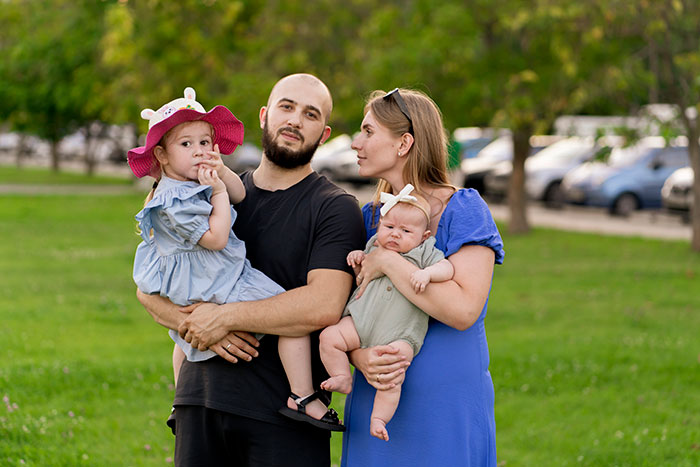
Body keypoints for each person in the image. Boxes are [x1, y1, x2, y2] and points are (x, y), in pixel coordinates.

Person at [136, 74, 365, 466]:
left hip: (281, 417)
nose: (295, 120)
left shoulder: (333, 207)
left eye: (310, 114)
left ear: (323, 134)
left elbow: (323, 305)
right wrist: (195, 324)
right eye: (286, 106)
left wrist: (222, 318)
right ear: (264, 115)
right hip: (198, 404)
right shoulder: (204, 194)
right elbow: (147, 286)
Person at [341, 88, 505, 466]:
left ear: (404, 143)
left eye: (368, 132)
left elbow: (464, 309)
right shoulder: (371, 218)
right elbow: (351, 308)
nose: (356, 142)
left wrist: (388, 262)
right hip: (378, 397)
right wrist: (359, 356)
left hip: (445, 406)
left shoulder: (463, 209)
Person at [129, 87, 285, 394]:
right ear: (161, 154)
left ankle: (181, 398)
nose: (199, 150)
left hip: (205, 270)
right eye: (186, 144)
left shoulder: (196, 179)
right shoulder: (174, 199)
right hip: (200, 277)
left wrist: (221, 171)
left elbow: (241, 194)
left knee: (186, 342)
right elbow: (216, 238)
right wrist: (217, 192)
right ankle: (300, 391)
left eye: (204, 142)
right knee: (279, 308)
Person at [318, 184, 454, 441]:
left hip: (398, 333)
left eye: (405, 231)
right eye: (389, 227)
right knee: (329, 338)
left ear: (423, 236)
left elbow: (447, 268)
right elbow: (360, 277)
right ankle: (341, 376)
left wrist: (427, 274)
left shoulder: (424, 253)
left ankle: (379, 418)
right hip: (360, 322)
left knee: (393, 374)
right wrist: (359, 257)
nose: (395, 235)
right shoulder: (373, 246)